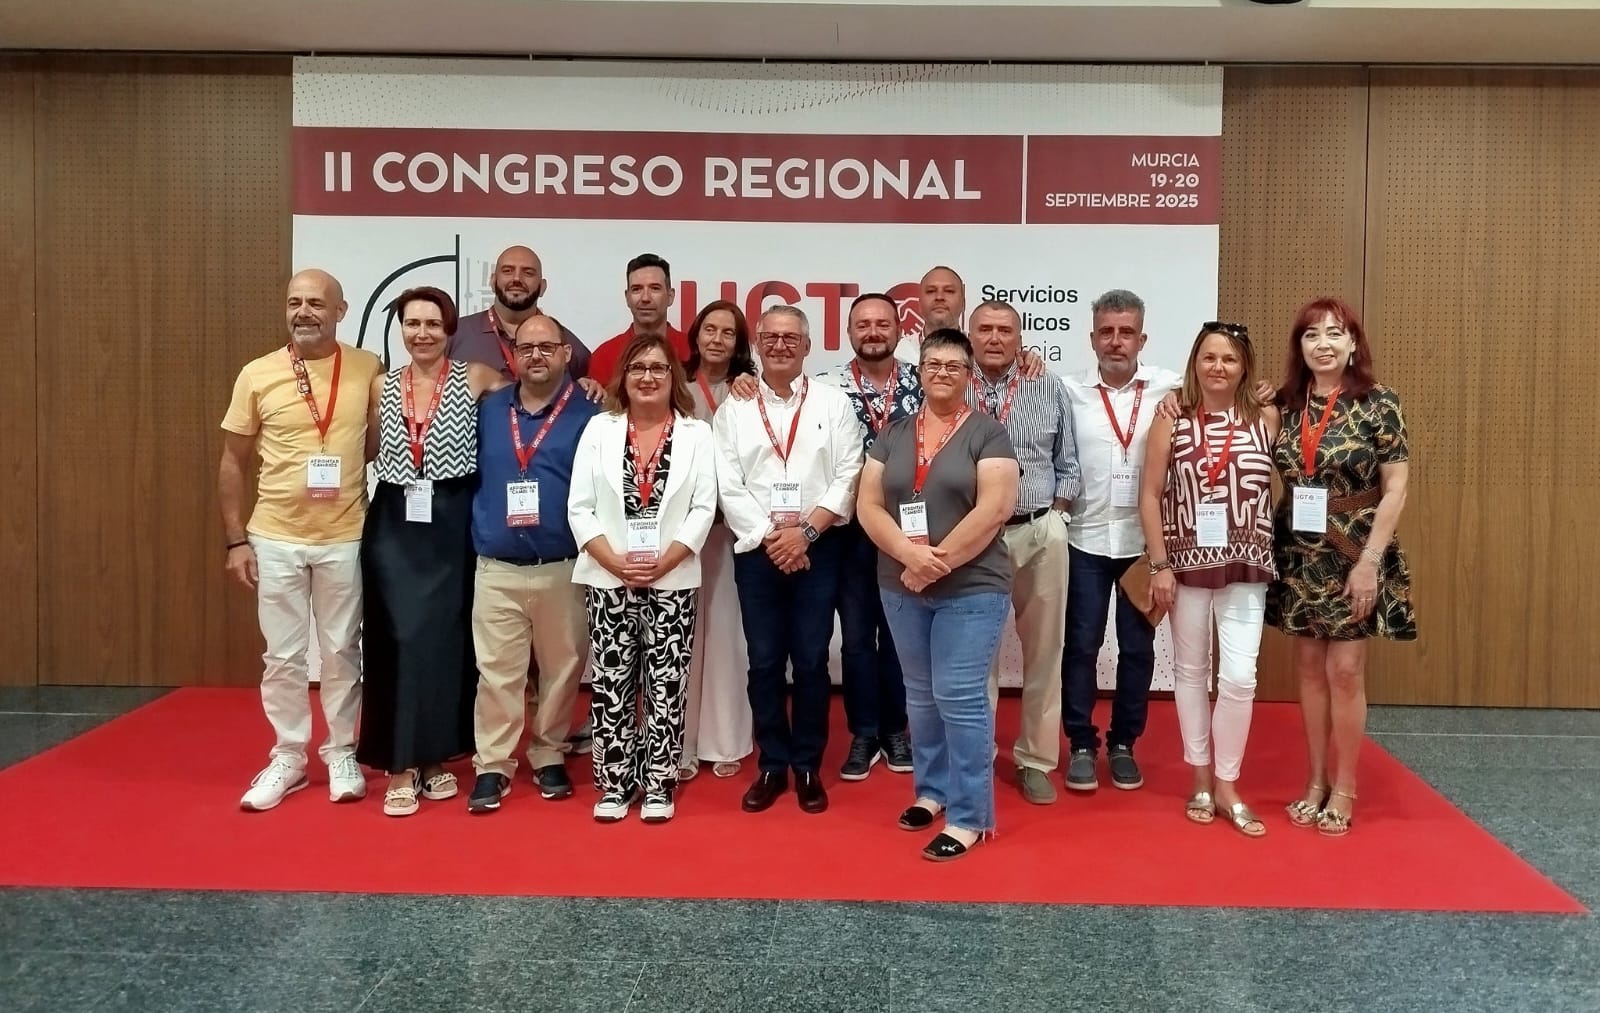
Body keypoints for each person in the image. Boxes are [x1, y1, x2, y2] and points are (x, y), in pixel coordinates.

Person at [220, 268, 385, 811]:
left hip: (345, 536)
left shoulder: (367, 368)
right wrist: (235, 542)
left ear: (341, 310)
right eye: (294, 302)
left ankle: (340, 750)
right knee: (283, 657)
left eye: (316, 302)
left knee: (341, 651)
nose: (304, 312)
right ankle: (288, 756)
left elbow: (372, 447)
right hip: (274, 536)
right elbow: (232, 460)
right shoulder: (257, 373)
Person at [857, 329, 1019, 860]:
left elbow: (993, 510)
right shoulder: (894, 433)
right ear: (919, 371)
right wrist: (910, 557)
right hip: (901, 582)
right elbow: (870, 506)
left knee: (960, 696)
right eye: (933, 363)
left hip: (971, 587)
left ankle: (971, 815)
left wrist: (936, 562)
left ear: (968, 374)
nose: (942, 372)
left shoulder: (989, 434)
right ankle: (932, 791)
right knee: (921, 696)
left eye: (954, 365)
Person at [356, 287, 507, 817]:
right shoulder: (380, 385)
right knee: (397, 641)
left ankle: (437, 756)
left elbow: (531, 408)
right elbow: (368, 448)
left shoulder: (478, 379)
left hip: (452, 523)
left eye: (432, 324)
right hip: (395, 526)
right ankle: (401, 762)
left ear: (450, 331)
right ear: (399, 328)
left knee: (447, 643)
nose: (421, 333)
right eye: (411, 323)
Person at [1269, 298, 1415, 837]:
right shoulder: (1283, 404)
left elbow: (1396, 486)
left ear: (1353, 343)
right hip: (1300, 552)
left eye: (1335, 333)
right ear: (1300, 346)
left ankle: (1347, 785)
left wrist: (1372, 562)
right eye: (1311, 335)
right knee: (1308, 671)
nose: (1323, 343)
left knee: (1345, 672)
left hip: (1356, 550)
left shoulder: (1379, 403)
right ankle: (1315, 780)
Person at [713, 304, 865, 815]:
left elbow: (849, 473)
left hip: (819, 550)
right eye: (770, 337)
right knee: (763, 662)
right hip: (758, 555)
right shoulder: (734, 407)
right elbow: (728, 482)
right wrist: (771, 538)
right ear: (757, 343)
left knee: (812, 661)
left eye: (790, 338)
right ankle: (772, 763)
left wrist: (802, 534)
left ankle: (807, 764)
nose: (780, 345)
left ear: (807, 346)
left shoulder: (833, 402)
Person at [569, 335, 719, 822]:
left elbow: (703, 508)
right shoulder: (599, 429)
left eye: (658, 368)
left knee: (666, 684)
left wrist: (667, 561)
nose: (648, 377)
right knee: (613, 684)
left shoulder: (696, 434)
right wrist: (615, 563)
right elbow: (580, 507)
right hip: (609, 576)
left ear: (673, 377)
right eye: (638, 368)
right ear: (623, 378)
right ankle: (614, 785)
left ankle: (658, 783)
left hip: (673, 578)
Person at [1138, 322, 1280, 837]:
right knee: (1192, 674)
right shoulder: (1171, 418)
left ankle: (1228, 782)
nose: (1219, 367)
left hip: (1247, 563)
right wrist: (1159, 564)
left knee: (1240, 678)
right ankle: (1200, 777)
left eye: (1230, 359)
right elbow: (1150, 495)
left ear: (1245, 367)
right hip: (1186, 563)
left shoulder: (1266, 415)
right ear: (1195, 362)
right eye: (1209, 357)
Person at [465, 314, 602, 813]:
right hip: (496, 565)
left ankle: (548, 752)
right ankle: (494, 764)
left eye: (548, 347)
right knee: (497, 672)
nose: (537, 356)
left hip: (563, 565)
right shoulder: (486, 409)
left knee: (563, 669)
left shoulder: (590, 414)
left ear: (566, 353)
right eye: (527, 347)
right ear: (513, 355)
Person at [1061, 289, 1184, 793]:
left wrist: (1262, 396)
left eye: (1126, 331)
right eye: (1106, 332)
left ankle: (1123, 743)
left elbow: (1227, 391)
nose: (1116, 342)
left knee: (1138, 649)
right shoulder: (1065, 391)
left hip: (1143, 543)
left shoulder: (1172, 388)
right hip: (1084, 537)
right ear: (1092, 338)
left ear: (1142, 338)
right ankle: (1082, 744)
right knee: (1081, 646)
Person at [966, 300, 1080, 805]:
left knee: (1043, 652)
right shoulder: (950, 382)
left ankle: (1035, 760)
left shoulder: (1048, 385)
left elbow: (1068, 462)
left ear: (1020, 337)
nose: (994, 338)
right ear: (970, 335)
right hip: (972, 538)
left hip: (1038, 531)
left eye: (1004, 330)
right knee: (973, 656)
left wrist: (1054, 515)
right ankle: (977, 758)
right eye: (985, 329)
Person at [828, 293, 921, 780]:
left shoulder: (925, 382)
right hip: (847, 530)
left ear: (899, 330)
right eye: (862, 324)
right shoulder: (824, 387)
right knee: (859, 637)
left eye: (882, 323)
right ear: (849, 332)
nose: (872, 332)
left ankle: (896, 729)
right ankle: (864, 731)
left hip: (911, 529)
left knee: (902, 634)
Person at [681, 300, 757, 781]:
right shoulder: (674, 388)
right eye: (709, 330)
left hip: (730, 533)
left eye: (728, 333)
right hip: (682, 535)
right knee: (682, 639)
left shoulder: (749, 392)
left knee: (727, 636)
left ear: (738, 343)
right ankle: (681, 743)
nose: (716, 340)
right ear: (695, 336)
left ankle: (726, 739)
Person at [450, 245, 590, 381]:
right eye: (507, 271)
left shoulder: (568, 345)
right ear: (493, 282)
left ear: (542, 287)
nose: (516, 279)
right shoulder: (454, 335)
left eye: (528, 273)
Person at [586, 253, 690, 387]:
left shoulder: (693, 350)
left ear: (670, 296)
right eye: (636, 289)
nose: (645, 298)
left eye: (655, 288)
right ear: (627, 297)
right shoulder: (603, 357)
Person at [895, 265, 967, 365]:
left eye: (949, 291)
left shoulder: (978, 353)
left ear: (963, 303)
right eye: (931, 291)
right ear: (919, 304)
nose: (939, 297)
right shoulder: (899, 354)